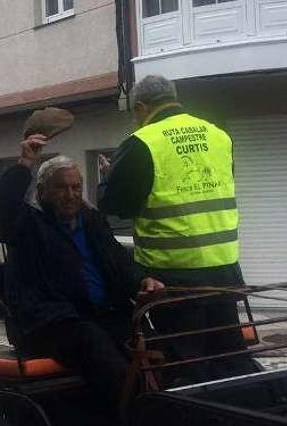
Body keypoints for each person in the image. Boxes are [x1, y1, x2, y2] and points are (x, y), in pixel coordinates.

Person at [99, 74, 256, 383]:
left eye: (135, 114)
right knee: (228, 355)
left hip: (173, 279)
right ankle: (247, 414)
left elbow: (115, 205)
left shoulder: (143, 142)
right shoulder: (218, 136)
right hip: (224, 272)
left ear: (142, 107)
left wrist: (108, 177)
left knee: (187, 364)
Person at [0, 137, 164, 412]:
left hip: (100, 316)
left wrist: (143, 280)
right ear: (43, 191)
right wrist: (24, 165)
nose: (70, 195)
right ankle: (140, 421)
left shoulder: (92, 222)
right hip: (49, 323)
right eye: (61, 188)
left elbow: (119, 263)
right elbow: (1, 213)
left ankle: (165, 412)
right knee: (97, 347)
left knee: (154, 345)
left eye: (76, 187)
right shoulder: (28, 226)